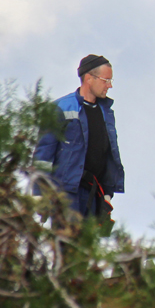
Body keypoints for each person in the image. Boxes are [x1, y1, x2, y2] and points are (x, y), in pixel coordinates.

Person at [33, 54, 125, 219]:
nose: (110, 86)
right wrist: (40, 194)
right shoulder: (60, 108)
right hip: (66, 195)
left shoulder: (106, 113)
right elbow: (44, 153)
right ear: (89, 78)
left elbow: (108, 154)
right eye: (106, 80)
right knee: (68, 242)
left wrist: (107, 195)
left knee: (89, 245)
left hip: (95, 195)